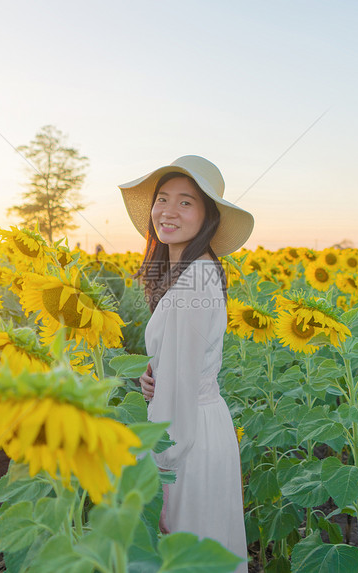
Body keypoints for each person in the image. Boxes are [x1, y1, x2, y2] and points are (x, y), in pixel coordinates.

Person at [118, 155, 254, 572]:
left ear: (208, 217)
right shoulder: (195, 272)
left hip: (184, 440)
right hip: (199, 428)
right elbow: (186, 362)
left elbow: (182, 387)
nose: (168, 212)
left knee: (182, 555)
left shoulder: (193, 279)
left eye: (186, 203)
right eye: (162, 199)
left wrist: (161, 474)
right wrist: (153, 375)